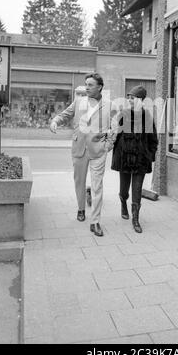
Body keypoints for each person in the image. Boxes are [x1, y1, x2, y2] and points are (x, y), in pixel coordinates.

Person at [50, 73, 116, 237]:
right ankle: (81, 208)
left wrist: (108, 145)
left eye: (90, 85)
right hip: (79, 147)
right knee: (79, 182)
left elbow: (115, 128)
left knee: (97, 186)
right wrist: (55, 121)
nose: (86, 87)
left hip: (98, 150)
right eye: (86, 84)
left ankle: (95, 222)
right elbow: (65, 114)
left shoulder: (110, 105)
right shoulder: (79, 102)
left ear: (99, 86)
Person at [111, 85, 158, 233]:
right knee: (124, 189)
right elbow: (115, 134)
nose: (130, 100)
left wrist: (149, 155)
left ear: (141, 101)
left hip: (140, 160)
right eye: (129, 98)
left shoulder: (147, 116)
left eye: (133, 98)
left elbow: (153, 140)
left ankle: (135, 219)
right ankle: (123, 202)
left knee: (137, 190)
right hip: (124, 158)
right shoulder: (122, 114)